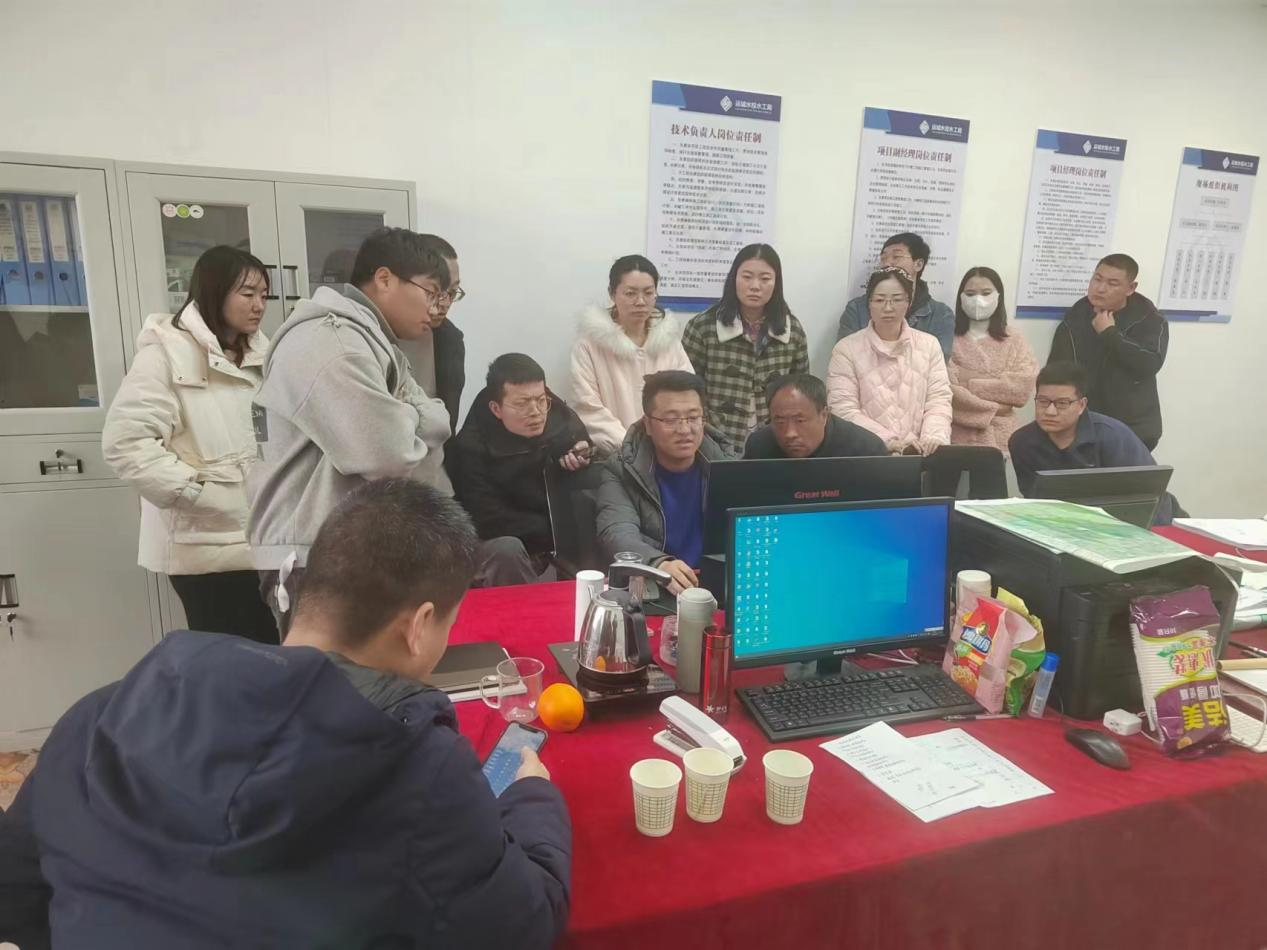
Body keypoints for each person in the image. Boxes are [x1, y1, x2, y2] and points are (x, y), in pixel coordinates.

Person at [0, 480, 572, 949]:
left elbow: (18, 895)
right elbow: (520, 924)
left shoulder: (99, 714)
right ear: (419, 625)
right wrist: (532, 797)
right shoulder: (416, 767)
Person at [247, 227, 453, 636]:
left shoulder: (373, 341)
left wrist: (405, 418)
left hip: (346, 546)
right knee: (335, 676)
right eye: (430, 291)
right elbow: (387, 453)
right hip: (313, 557)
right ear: (384, 278)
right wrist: (409, 420)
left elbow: (439, 420)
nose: (436, 308)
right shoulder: (331, 341)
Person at [102, 246, 278, 643]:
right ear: (215, 291)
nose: (259, 305)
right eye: (247, 293)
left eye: (264, 295)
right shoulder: (165, 355)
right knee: (228, 661)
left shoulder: (260, 355)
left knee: (267, 659)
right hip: (205, 549)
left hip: (258, 540)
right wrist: (198, 493)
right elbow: (126, 442)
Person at [446, 353, 592, 586]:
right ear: (496, 409)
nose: (535, 412)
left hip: (547, 530)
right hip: (499, 538)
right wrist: (554, 530)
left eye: (541, 400)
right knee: (507, 550)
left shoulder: (553, 412)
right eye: (522, 404)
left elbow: (579, 440)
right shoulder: (470, 448)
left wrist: (581, 453)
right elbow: (487, 519)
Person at [595, 371, 732, 595]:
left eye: (693, 417)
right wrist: (658, 563)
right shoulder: (622, 469)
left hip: (716, 586)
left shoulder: (726, 464)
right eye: (670, 420)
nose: (685, 430)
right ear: (648, 424)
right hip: (655, 587)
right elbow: (616, 533)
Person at [1009, 361, 1174, 523]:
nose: (1050, 411)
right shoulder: (1022, 443)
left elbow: (1150, 496)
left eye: (1062, 403)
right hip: (1065, 525)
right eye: (1043, 402)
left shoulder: (1113, 436)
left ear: (1082, 405)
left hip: (1132, 523)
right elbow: (1036, 503)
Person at [681, 244, 810, 448]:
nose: (755, 286)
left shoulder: (791, 329)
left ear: (776, 283)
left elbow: (801, 391)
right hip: (714, 438)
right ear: (734, 278)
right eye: (747, 277)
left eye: (765, 279)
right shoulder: (703, 326)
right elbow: (687, 388)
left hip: (774, 439)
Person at [570, 254, 694, 452]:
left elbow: (687, 397)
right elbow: (588, 408)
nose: (640, 301)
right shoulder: (589, 346)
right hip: (616, 455)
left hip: (667, 453)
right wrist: (631, 448)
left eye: (648, 292)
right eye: (630, 293)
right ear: (612, 294)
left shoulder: (670, 343)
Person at [826, 267, 952, 456]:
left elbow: (939, 399)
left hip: (922, 454)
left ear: (908, 302)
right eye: (879, 300)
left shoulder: (929, 345)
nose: (888, 307)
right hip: (867, 454)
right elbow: (843, 408)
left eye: (897, 299)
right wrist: (887, 441)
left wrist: (932, 439)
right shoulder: (846, 349)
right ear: (869, 303)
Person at [1048, 253, 1168, 449]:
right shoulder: (1075, 317)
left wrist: (1109, 333)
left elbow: (1149, 364)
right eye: (1097, 279)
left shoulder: (1149, 319)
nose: (1101, 288)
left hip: (1134, 429)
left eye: (1112, 283)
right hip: (1083, 424)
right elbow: (1056, 371)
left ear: (1131, 288)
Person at [947, 266, 1038, 453]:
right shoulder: (947, 339)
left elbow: (1021, 390)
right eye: (970, 294)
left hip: (1003, 437)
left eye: (986, 293)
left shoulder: (1015, 339)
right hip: (954, 435)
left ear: (998, 296)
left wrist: (970, 380)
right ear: (960, 298)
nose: (977, 300)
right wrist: (998, 402)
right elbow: (947, 390)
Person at [837, 232, 954, 359]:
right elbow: (846, 355)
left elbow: (939, 360)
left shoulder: (941, 314)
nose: (887, 264)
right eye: (883, 258)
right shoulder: (856, 308)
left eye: (896, 257)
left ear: (918, 264)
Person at [744, 373, 886, 459]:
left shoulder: (866, 450)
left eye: (800, 420)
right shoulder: (759, 447)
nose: (789, 433)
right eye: (780, 422)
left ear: (824, 415)